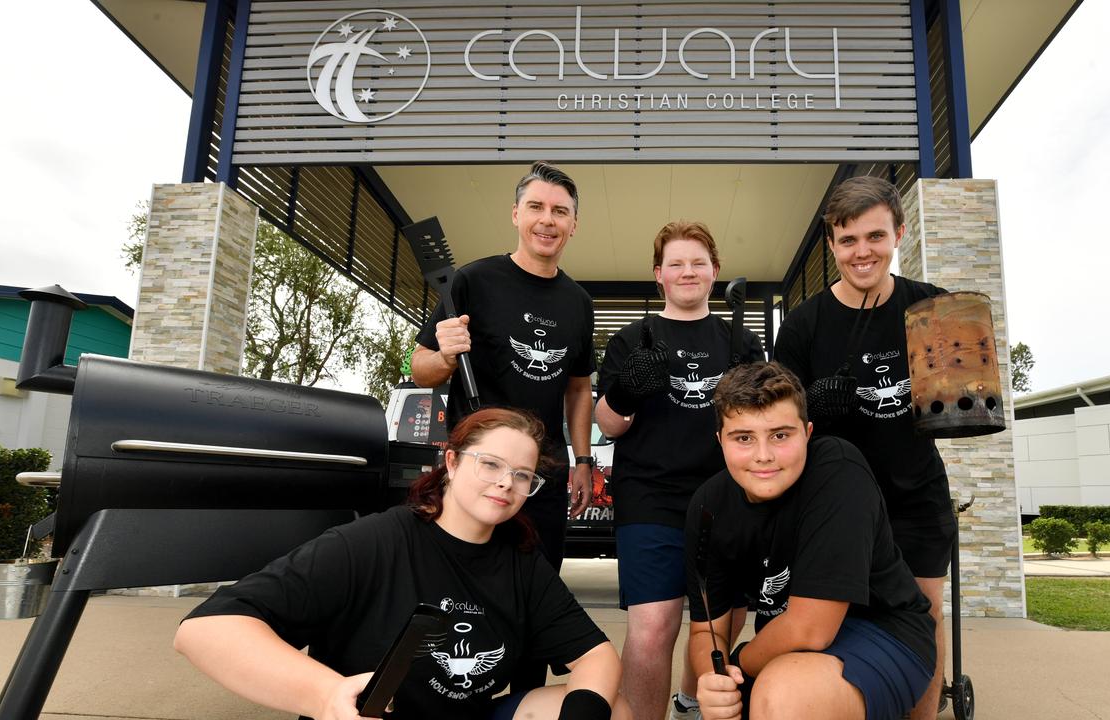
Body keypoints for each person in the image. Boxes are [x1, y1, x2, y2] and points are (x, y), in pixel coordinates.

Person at [174, 407, 626, 720]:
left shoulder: (521, 560)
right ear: (450, 462)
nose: (506, 483)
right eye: (490, 464)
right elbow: (206, 629)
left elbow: (596, 657)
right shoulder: (373, 542)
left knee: (614, 709)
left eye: (522, 474)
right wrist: (325, 694)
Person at [773, 175, 954, 719]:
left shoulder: (931, 308)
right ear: (831, 245)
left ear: (898, 232)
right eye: (847, 240)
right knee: (834, 624)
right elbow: (781, 423)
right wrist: (810, 409)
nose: (862, 252)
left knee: (924, 617)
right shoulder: (803, 325)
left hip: (915, 492)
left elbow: (966, 403)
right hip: (835, 503)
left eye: (874, 236)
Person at [685, 362, 935, 720]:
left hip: (885, 633)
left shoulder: (838, 469)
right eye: (744, 438)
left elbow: (810, 629)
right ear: (720, 441)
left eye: (780, 435)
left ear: (808, 432)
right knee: (730, 704)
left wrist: (739, 663)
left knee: (782, 697)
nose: (763, 455)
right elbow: (706, 631)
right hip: (782, 646)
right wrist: (715, 678)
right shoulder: (707, 508)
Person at [595, 221, 764, 720]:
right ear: (659, 276)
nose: (687, 272)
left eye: (698, 262)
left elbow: (763, 419)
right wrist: (626, 391)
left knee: (720, 622)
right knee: (653, 626)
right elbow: (609, 423)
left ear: (715, 272)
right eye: (676, 264)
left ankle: (691, 704)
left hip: (727, 497)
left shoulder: (740, 340)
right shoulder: (632, 340)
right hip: (651, 498)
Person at [411, 160, 596, 572]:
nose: (547, 220)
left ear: (574, 224)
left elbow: (579, 389)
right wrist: (444, 357)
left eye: (560, 211)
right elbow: (420, 368)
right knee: (465, 585)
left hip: (542, 474)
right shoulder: (471, 281)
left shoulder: (579, 303)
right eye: (535, 207)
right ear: (516, 214)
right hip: (478, 468)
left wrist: (583, 462)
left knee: (538, 589)